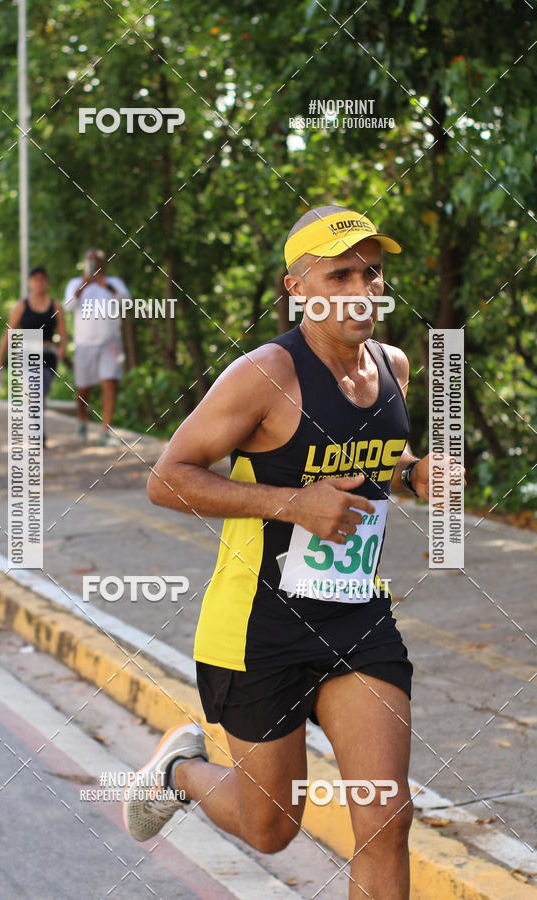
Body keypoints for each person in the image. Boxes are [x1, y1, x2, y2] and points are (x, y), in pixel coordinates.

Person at [123, 205, 463, 899]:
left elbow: (374, 454)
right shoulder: (264, 376)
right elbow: (167, 478)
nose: (363, 290)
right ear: (297, 288)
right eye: (340, 274)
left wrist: (411, 473)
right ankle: (177, 774)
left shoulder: (391, 366)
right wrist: (291, 503)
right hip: (259, 628)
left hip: (355, 618)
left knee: (385, 817)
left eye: (372, 273)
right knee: (271, 826)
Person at [0, 265, 67, 447]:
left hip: (48, 355)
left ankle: (35, 427)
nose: (39, 283)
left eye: (42, 279)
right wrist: (0, 357)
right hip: (28, 354)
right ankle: (37, 432)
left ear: (47, 282)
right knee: (34, 392)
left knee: (42, 392)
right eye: (35, 279)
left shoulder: (54, 305)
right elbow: (9, 332)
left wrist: (63, 348)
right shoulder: (21, 306)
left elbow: (63, 331)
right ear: (30, 282)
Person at [63, 249, 129, 446]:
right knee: (84, 390)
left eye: (97, 260)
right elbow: (67, 306)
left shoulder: (114, 283)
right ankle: (82, 421)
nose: (94, 264)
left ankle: (105, 432)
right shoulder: (75, 283)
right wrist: (84, 285)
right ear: (84, 263)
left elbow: (127, 302)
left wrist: (107, 287)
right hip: (85, 344)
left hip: (110, 343)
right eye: (90, 261)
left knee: (110, 383)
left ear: (104, 263)